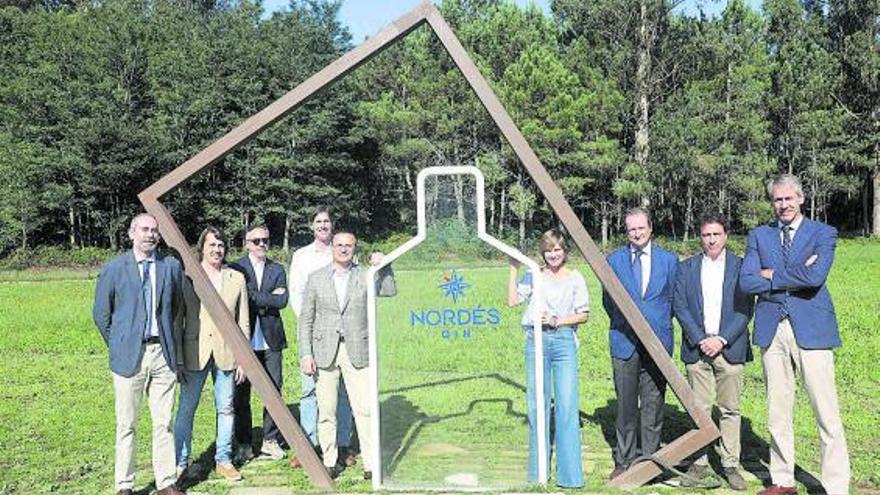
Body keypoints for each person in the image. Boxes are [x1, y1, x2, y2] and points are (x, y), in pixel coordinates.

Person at [740, 174, 850, 495]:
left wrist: (771, 275)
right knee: (778, 411)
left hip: (812, 329)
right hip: (772, 329)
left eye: (789, 198)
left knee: (825, 410)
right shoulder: (759, 235)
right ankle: (782, 480)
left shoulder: (823, 232)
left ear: (801, 198)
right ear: (772, 202)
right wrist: (793, 274)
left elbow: (816, 277)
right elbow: (747, 282)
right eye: (778, 199)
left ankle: (836, 486)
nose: (783, 205)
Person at [92, 213, 185, 495]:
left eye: (154, 230)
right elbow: (101, 314)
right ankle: (125, 485)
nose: (150, 235)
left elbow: (176, 308)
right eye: (144, 229)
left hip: (163, 354)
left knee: (163, 423)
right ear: (131, 233)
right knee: (126, 424)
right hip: (128, 357)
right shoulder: (115, 268)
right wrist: (120, 343)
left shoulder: (170, 267)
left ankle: (166, 482)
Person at [298, 231, 396, 479]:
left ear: (355, 248)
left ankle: (371, 464)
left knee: (364, 410)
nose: (343, 249)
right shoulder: (316, 278)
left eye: (348, 246)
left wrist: (384, 266)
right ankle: (329, 461)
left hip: (357, 350)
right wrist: (305, 354)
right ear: (332, 246)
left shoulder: (365, 275)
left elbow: (389, 290)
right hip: (324, 352)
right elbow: (306, 320)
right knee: (327, 410)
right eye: (339, 245)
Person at [673, 215, 753, 491]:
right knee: (700, 409)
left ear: (726, 236)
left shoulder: (741, 267)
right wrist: (699, 339)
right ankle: (699, 461)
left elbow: (745, 309)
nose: (711, 240)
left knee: (730, 409)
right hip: (698, 350)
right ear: (700, 237)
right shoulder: (687, 268)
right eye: (706, 235)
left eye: (716, 234)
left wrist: (721, 339)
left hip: (730, 348)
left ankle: (731, 464)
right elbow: (680, 306)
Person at [507, 229, 588, 488]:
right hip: (536, 341)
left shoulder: (575, 278)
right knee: (537, 405)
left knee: (566, 405)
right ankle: (538, 473)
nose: (553, 254)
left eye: (558, 250)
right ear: (543, 252)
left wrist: (556, 320)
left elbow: (583, 314)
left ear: (565, 252)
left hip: (563, 341)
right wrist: (513, 269)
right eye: (549, 250)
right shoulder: (533, 275)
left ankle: (570, 476)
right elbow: (511, 301)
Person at [602, 207, 678, 480]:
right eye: (631, 229)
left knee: (654, 403)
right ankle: (624, 460)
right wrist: (628, 325)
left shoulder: (669, 261)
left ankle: (651, 461)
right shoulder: (614, 260)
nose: (636, 233)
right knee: (625, 405)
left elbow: (672, 300)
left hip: (658, 342)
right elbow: (608, 302)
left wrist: (655, 324)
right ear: (626, 231)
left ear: (650, 228)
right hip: (624, 341)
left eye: (640, 228)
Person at [174, 226, 249, 482]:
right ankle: (180, 462)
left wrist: (243, 358)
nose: (217, 250)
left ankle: (223, 460)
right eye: (212, 245)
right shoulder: (188, 278)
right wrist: (179, 359)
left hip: (227, 353)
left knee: (226, 408)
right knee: (186, 409)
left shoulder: (236, 278)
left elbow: (244, 322)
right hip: (194, 352)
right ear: (202, 248)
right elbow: (178, 319)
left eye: (220, 246)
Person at [288, 207, 355, 468]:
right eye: (318, 222)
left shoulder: (342, 249)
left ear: (332, 225)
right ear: (311, 226)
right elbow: (296, 293)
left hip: (341, 334)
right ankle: (308, 445)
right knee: (309, 390)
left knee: (343, 391)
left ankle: (342, 444)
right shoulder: (302, 256)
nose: (323, 225)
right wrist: (310, 326)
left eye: (327, 221)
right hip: (313, 331)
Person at [231, 225, 289, 461]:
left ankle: (270, 439)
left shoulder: (277, 268)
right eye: (256, 241)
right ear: (247, 243)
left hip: (271, 340)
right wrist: (268, 298)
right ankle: (244, 443)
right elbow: (235, 300)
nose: (262, 245)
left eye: (265, 240)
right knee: (241, 394)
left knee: (274, 390)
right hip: (244, 340)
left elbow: (282, 300)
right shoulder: (236, 267)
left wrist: (252, 295)